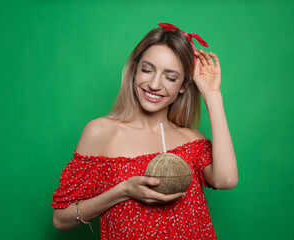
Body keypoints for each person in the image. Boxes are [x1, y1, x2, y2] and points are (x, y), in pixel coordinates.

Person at [51, 23, 238, 239]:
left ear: (184, 85)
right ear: (134, 70)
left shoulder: (191, 140)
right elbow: (60, 220)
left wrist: (212, 94)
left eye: (171, 77)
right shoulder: (101, 132)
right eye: (147, 70)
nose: (155, 84)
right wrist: (123, 191)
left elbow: (226, 180)